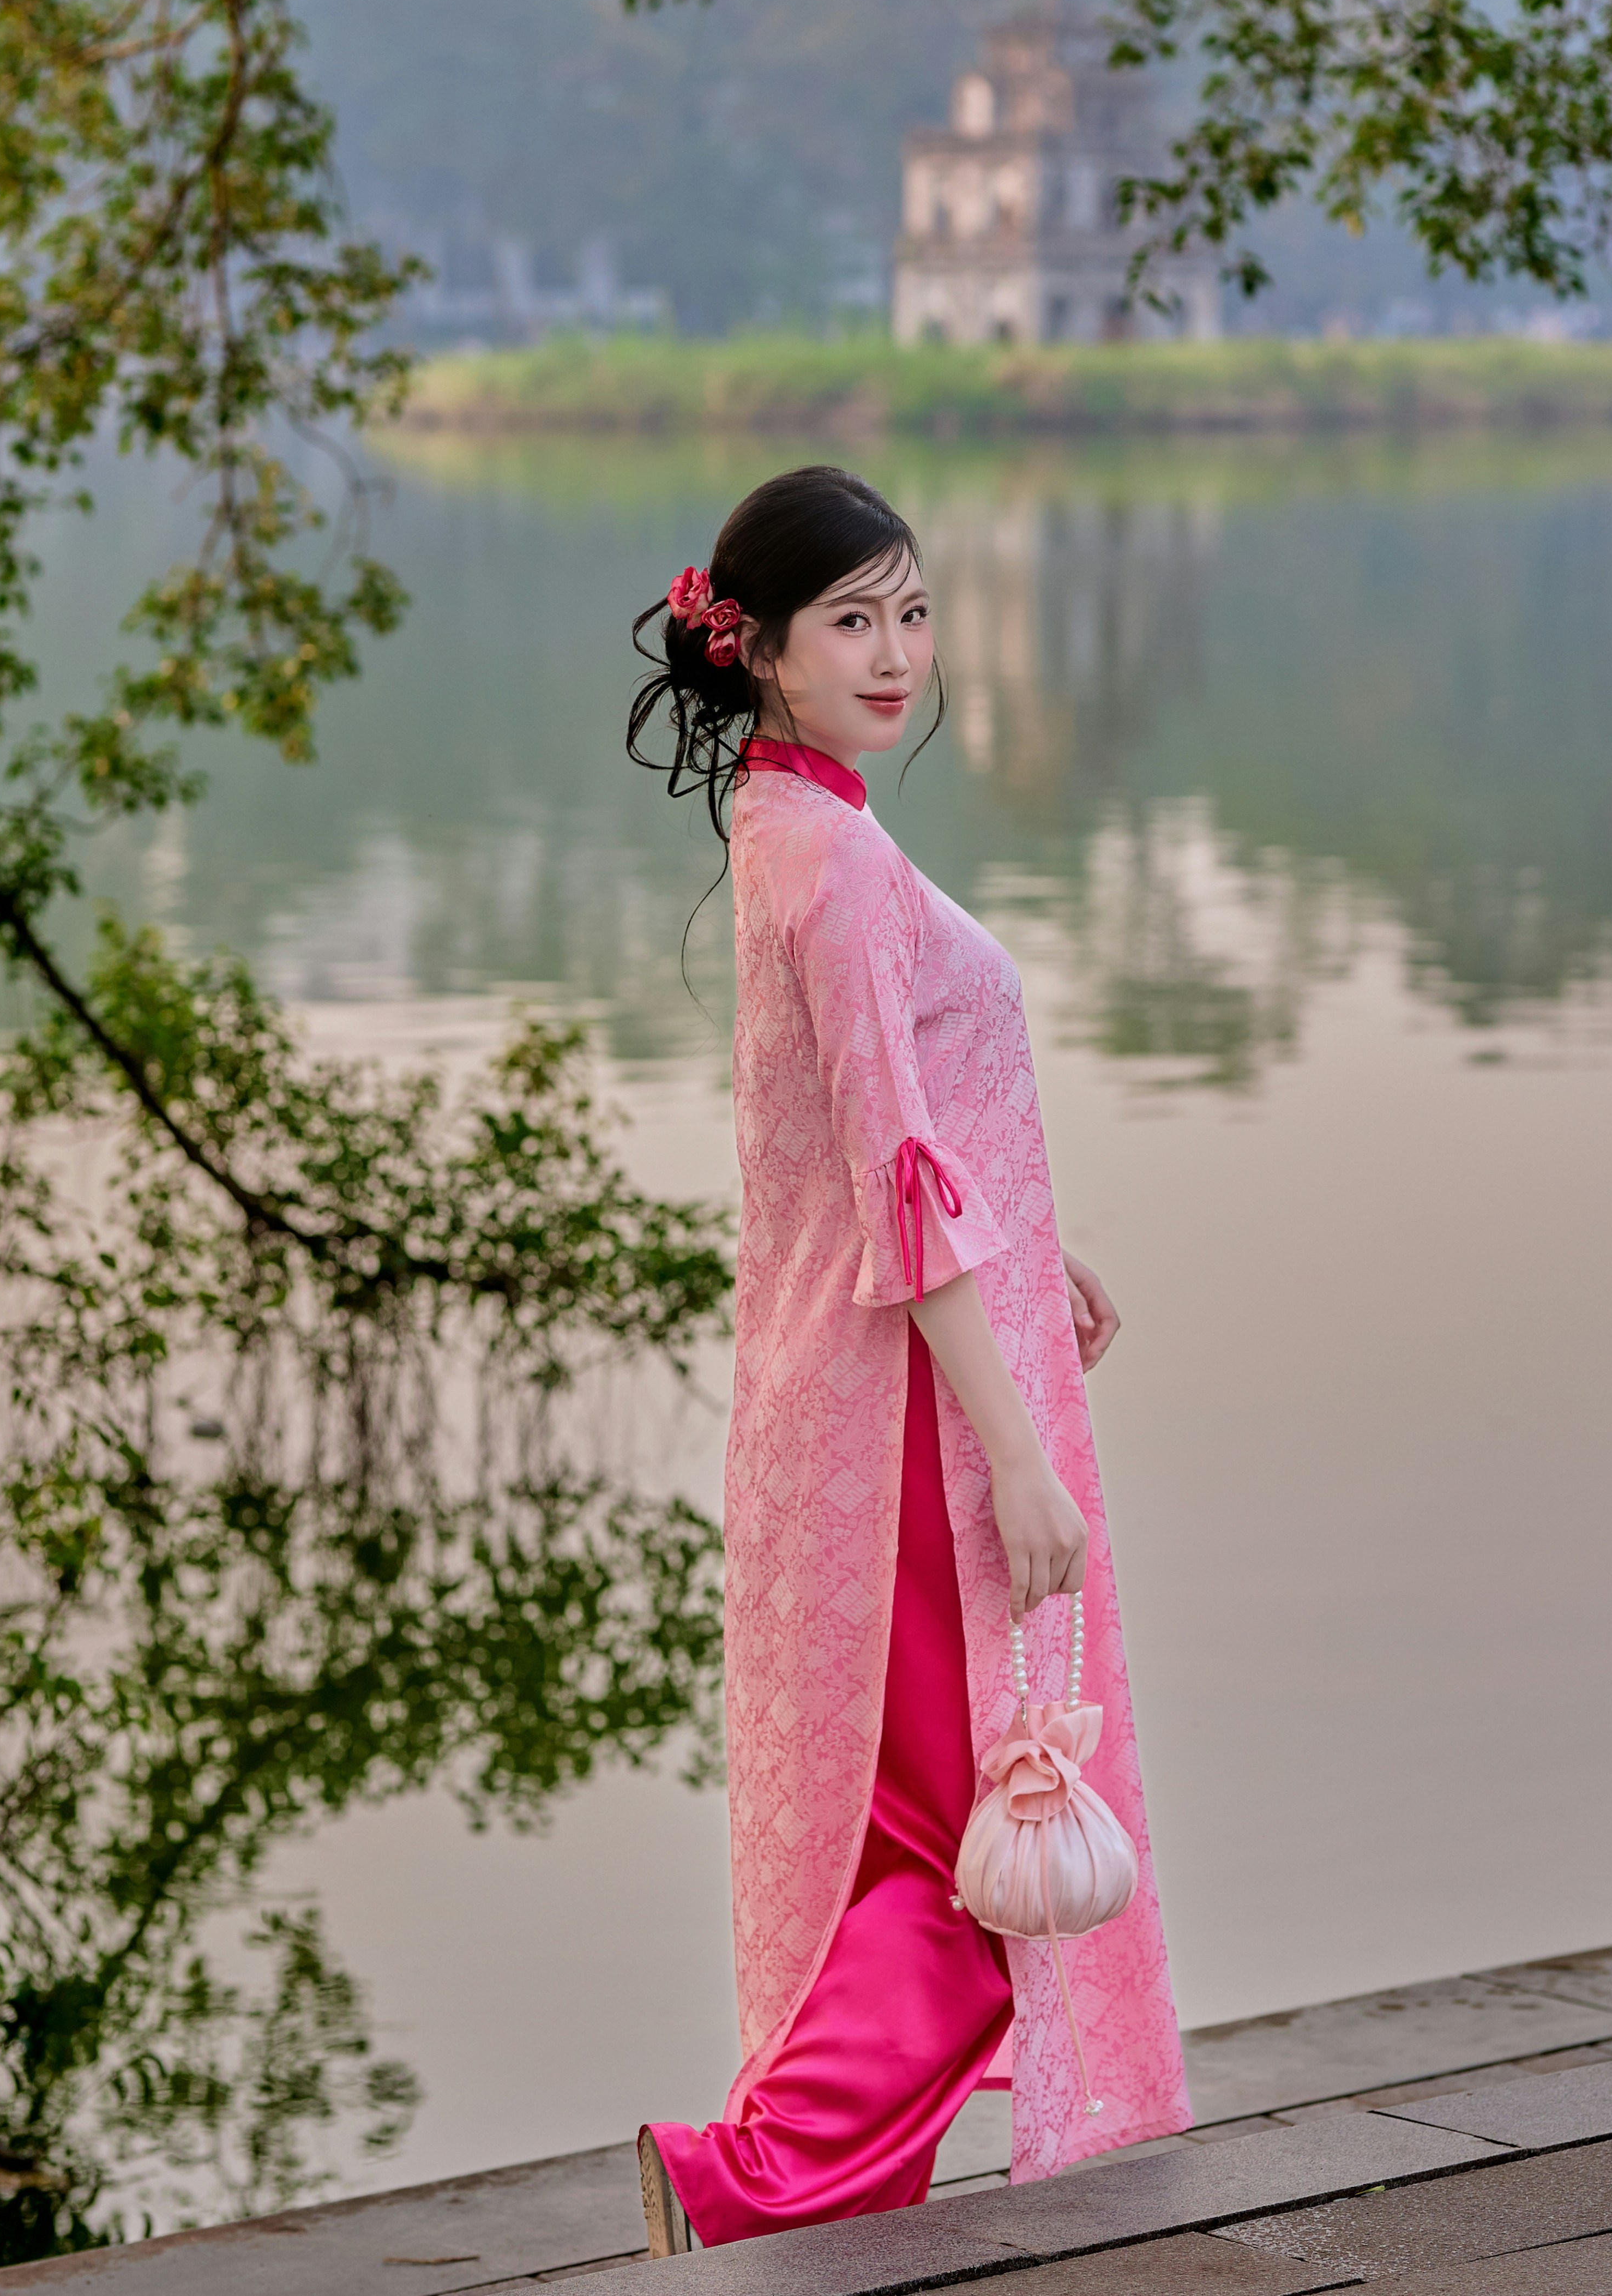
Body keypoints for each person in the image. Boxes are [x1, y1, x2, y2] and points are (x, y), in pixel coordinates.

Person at [625, 463, 1187, 2254]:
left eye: (913, 611)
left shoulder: (784, 821)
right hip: (907, 1425)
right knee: (980, 1829)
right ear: (759, 649)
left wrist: (1029, 1241)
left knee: (911, 1818)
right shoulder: (837, 863)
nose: (894, 652)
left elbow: (886, 1132)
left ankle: (789, 2187)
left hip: (859, 1378)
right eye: (850, 619)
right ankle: (751, 2174)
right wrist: (1019, 1452)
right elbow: (885, 1165)